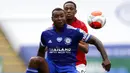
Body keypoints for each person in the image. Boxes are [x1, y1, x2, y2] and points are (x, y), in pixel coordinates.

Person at [26, 7, 111, 73]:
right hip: (51, 66)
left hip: (67, 67)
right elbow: (41, 51)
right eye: (56, 17)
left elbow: (96, 41)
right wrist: (39, 68)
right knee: (34, 60)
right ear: (52, 19)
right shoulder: (46, 33)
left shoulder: (75, 32)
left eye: (61, 16)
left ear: (65, 18)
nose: (59, 18)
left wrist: (106, 59)